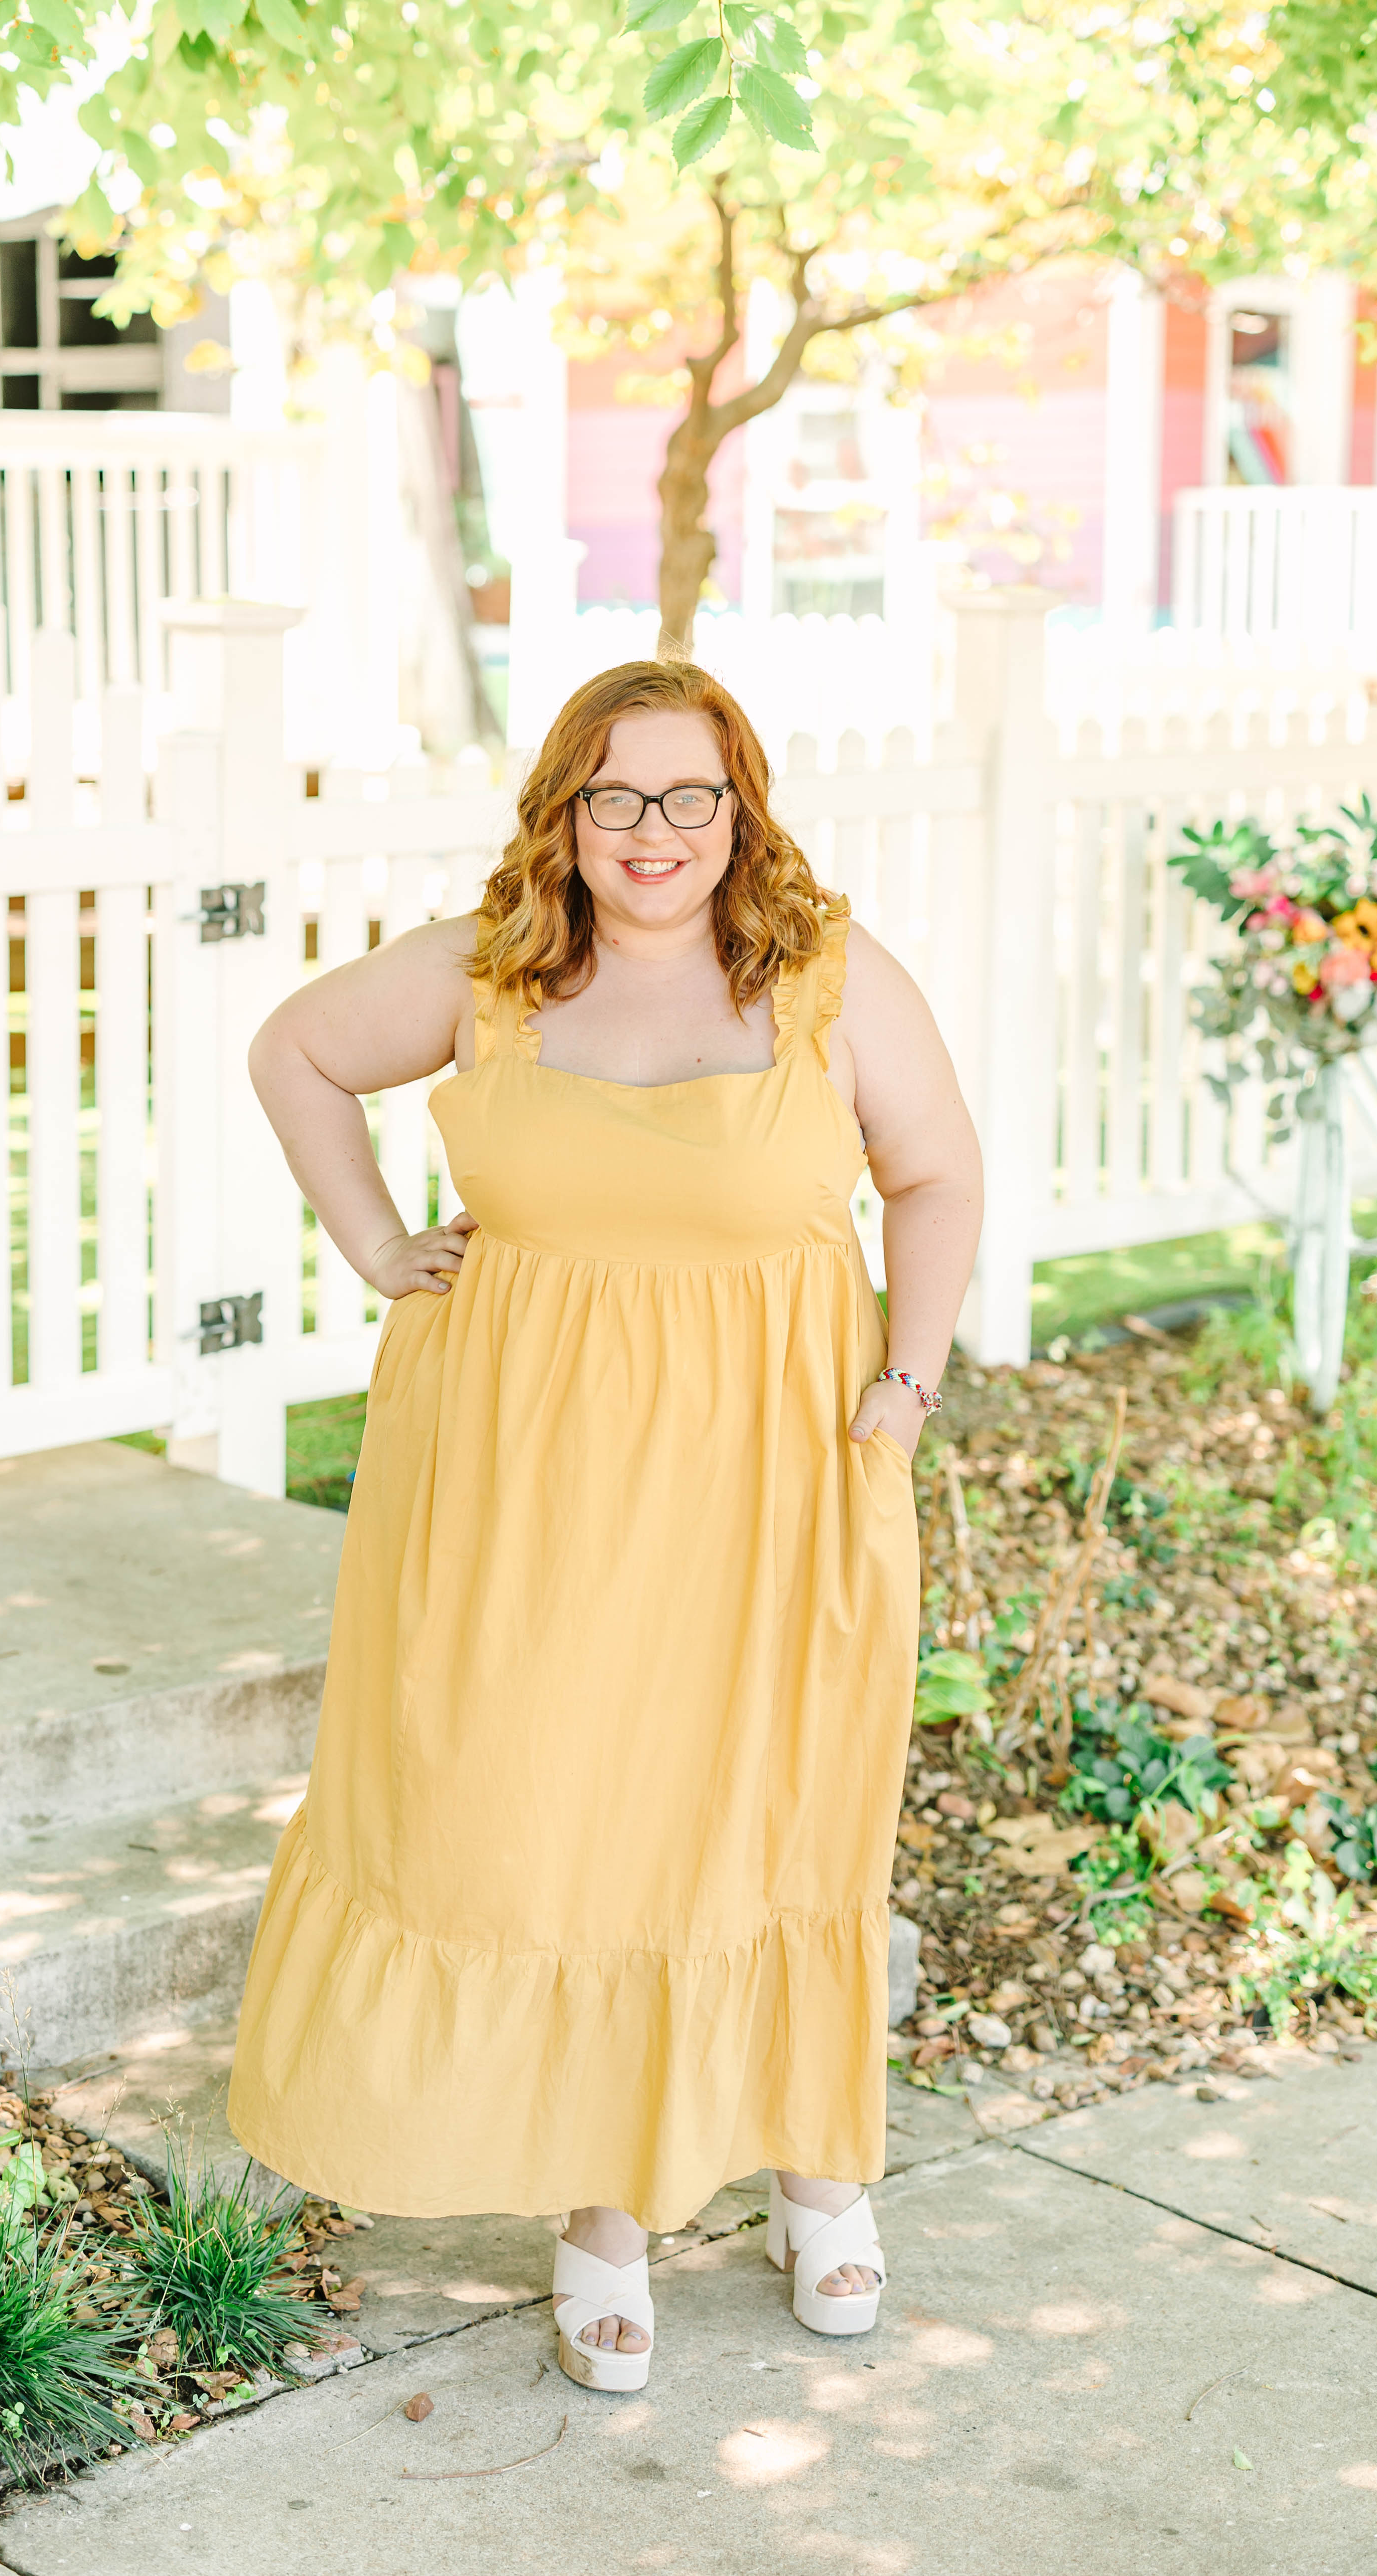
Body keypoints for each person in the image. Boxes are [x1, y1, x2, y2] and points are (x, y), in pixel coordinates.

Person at [228, 659, 983, 2392]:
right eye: (618, 797)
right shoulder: (489, 972)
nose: (657, 835)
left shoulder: (826, 976)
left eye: (691, 798)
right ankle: (604, 2209)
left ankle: (820, 2174)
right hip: (523, 1486)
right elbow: (294, 1053)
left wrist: (910, 1379)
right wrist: (371, 1241)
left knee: (774, 1801)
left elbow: (939, 1174)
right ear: (566, 809)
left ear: (744, 808)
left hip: (779, 1470)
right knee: (559, 1811)